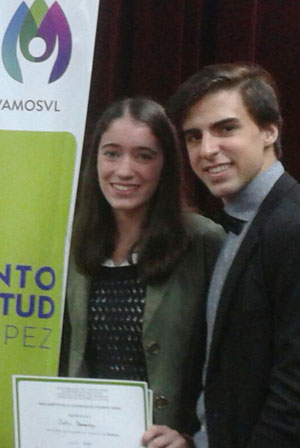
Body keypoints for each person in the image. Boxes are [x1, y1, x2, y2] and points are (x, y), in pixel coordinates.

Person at [60, 98, 224, 447]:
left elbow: (230, 361)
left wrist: (193, 438)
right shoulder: (71, 244)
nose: (124, 170)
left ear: (166, 165)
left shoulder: (203, 242)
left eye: (143, 156)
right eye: (111, 154)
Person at [165, 63, 300, 447]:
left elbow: (293, 396)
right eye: (194, 136)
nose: (207, 150)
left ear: (270, 130)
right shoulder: (230, 226)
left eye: (226, 129)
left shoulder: (292, 227)